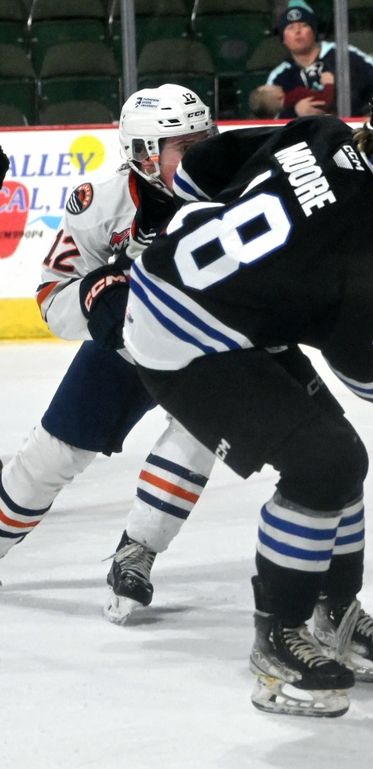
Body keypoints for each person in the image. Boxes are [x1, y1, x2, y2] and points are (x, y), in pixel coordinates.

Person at [124, 60, 373, 718]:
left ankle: (336, 614)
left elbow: (195, 169)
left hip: (195, 299)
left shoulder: (319, 132)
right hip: (184, 337)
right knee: (325, 462)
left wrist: (245, 262)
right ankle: (280, 638)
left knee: (337, 453)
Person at [0, 85, 217, 624]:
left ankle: (137, 550)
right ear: (144, 151)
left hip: (204, 345)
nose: (202, 154)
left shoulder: (236, 190)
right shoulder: (101, 203)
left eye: (204, 139)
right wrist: (100, 297)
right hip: (125, 344)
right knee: (51, 456)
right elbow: (53, 297)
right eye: (184, 147)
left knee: (201, 430)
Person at [265, 0, 373, 118]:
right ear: (283, 38)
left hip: (351, 132)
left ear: (314, 31)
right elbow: (270, 121)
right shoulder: (278, 77)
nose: (298, 31)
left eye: (304, 25)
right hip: (304, 136)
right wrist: (295, 112)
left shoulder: (343, 53)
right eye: (290, 27)